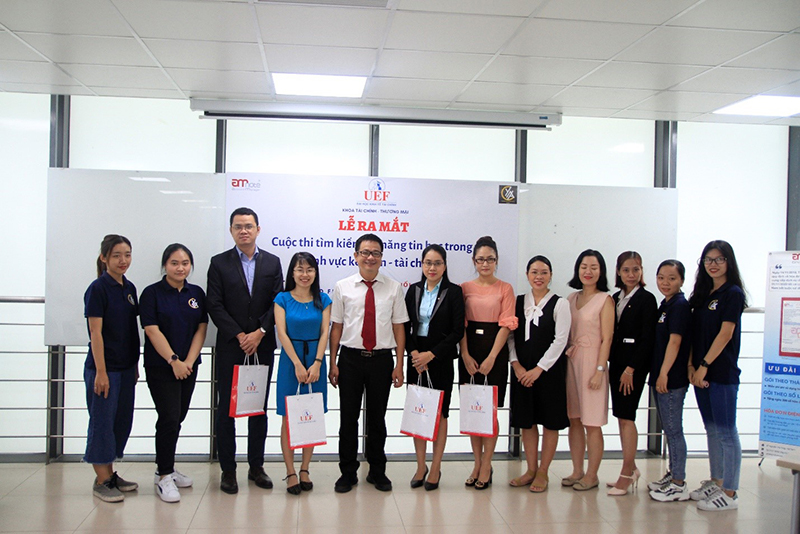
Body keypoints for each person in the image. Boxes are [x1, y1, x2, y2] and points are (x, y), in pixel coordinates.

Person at [207, 207, 284, 494]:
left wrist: (260, 332)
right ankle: (228, 469)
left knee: (257, 408)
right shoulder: (219, 263)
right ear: (231, 231)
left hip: (261, 346)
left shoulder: (273, 263)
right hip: (231, 346)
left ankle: (257, 467)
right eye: (238, 226)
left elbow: (277, 301)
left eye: (249, 226)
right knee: (226, 409)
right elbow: (214, 304)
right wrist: (240, 335)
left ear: (258, 229)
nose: (244, 231)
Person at [329, 233, 409, 493]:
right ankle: (347, 472)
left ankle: (377, 471)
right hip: (350, 359)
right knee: (348, 419)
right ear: (355, 256)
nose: (370, 257)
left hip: (382, 361)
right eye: (365, 252)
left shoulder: (394, 287)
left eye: (375, 253)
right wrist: (333, 363)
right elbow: (336, 327)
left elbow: (399, 327)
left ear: (381, 257)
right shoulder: (342, 287)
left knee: (377, 419)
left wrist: (399, 364)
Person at [140, 244, 208, 503]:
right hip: (162, 367)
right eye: (174, 263)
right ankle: (164, 477)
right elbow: (151, 330)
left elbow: (201, 328)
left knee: (178, 417)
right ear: (164, 265)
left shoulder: (196, 293)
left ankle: (165, 466)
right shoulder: (151, 294)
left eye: (185, 263)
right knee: (168, 417)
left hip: (189, 366)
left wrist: (188, 361)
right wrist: (174, 361)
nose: (180, 268)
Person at [688, 240, 747, 511]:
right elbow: (693, 334)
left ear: (729, 262)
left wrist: (704, 364)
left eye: (719, 259)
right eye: (708, 259)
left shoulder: (732, 293)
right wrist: (692, 366)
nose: (713, 264)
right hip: (699, 371)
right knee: (711, 429)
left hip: (720, 371)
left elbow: (726, 334)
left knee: (726, 431)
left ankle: (731, 492)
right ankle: (716, 481)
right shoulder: (702, 294)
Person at [83, 234, 140, 503]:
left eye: (127, 254)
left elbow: (130, 331)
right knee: (102, 423)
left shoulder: (129, 288)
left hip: (126, 368)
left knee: (121, 423)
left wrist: (135, 365)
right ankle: (102, 480)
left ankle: (111, 473)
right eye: (117, 255)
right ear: (104, 257)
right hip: (105, 369)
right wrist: (101, 371)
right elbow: (96, 332)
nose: (123, 260)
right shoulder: (98, 288)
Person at [404, 244, 465, 491]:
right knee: (418, 413)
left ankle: (436, 466)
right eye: (428, 262)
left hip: (440, 361)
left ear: (445, 265)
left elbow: (457, 331)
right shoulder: (413, 291)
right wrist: (415, 354)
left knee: (440, 414)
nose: (432, 267)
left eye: (437, 263)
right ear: (422, 264)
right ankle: (421, 466)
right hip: (417, 361)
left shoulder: (454, 292)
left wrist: (432, 354)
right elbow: (403, 325)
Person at [508, 255, 570, 493]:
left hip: (549, 373)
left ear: (551, 275)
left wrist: (539, 369)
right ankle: (531, 469)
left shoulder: (559, 303)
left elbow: (560, 340)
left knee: (550, 422)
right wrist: (516, 365)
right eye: (534, 272)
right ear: (527, 275)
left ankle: (543, 471)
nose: (539, 277)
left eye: (544, 272)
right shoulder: (518, 301)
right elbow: (510, 336)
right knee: (527, 421)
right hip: (522, 371)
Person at [459, 236, 518, 490]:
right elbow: (459, 324)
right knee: (473, 411)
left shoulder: (505, 288)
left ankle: (487, 463)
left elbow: (506, 324)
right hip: (469, 354)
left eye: (490, 259)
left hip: (495, 353)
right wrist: (464, 354)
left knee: (490, 411)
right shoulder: (464, 288)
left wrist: (493, 357)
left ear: (496, 261)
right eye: (480, 259)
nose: (485, 263)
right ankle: (476, 462)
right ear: (474, 261)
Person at [274, 252, 332, 495]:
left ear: (315, 272)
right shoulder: (282, 298)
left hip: (316, 362)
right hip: (291, 362)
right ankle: (290, 471)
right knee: (289, 417)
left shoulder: (323, 299)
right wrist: (298, 364)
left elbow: (325, 333)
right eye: (300, 269)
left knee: (311, 415)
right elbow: (282, 333)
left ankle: (305, 468)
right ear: (292, 273)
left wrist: (317, 362)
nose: (304, 274)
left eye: (309, 269)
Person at [562, 249, 614, 492]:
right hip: (572, 362)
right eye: (584, 266)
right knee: (574, 419)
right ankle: (577, 470)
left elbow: (607, 338)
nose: (588, 271)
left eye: (594, 267)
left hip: (594, 362)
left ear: (601, 271)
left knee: (592, 422)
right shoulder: (571, 299)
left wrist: (600, 370)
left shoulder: (606, 300)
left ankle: (592, 475)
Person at [607, 251, 657, 496]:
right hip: (616, 363)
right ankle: (632, 467)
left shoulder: (647, 300)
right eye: (626, 270)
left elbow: (648, 340)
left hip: (632, 367)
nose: (631, 274)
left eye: (636, 269)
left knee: (627, 416)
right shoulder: (616, 297)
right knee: (621, 415)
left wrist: (631, 369)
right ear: (618, 271)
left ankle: (626, 473)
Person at [648, 259, 692, 502]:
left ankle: (679, 483)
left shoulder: (680, 306)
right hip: (661, 376)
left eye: (672, 278)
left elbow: (675, 342)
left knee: (674, 430)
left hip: (672, 379)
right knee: (669, 429)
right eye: (662, 277)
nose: (666, 283)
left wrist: (664, 373)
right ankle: (673, 473)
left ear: (682, 281)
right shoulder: (666, 305)